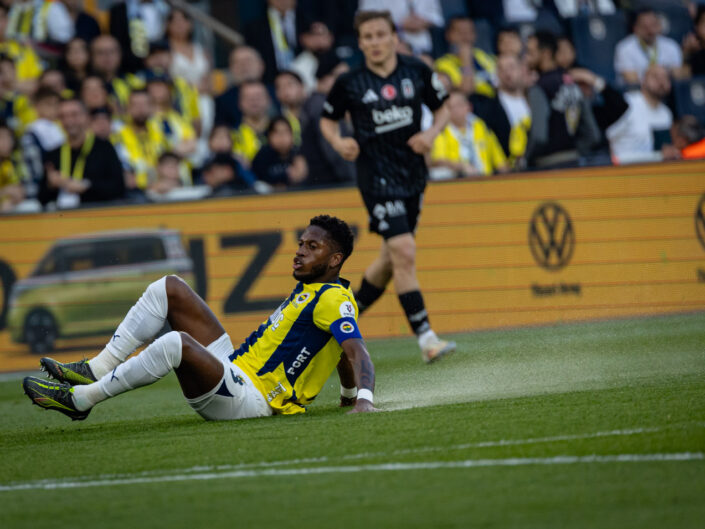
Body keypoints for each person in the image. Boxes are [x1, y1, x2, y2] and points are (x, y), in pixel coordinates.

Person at [24, 215, 378, 420]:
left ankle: (81, 399)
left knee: (176, 343)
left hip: (251, 399)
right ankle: (97, 368)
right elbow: (336, 348)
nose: (299, 252)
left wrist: (363, 398)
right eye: (301, 243)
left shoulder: (332, 298)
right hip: (234, 371)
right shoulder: (315, 291)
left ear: (335, 260)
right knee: (170, 287)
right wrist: (347, 394)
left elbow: (355, 350)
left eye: (312, 247)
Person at [320, 10, 456, 363]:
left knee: (389, 260)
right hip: (376, 178)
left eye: (381, 34)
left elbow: (443, 108)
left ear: (394, 37)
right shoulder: (350, 82)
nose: (375, 42)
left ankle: (338, 325)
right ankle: (427, 339)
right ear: (360, 42)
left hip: (413, 175)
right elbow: (327, 121)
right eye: (368, 37)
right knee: (404, 250)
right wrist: (338, 142)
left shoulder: (417, 70)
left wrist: (431, 133)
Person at [524, 31, 600, 168]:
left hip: (547, 165)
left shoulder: (540, 87)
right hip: (575, 161)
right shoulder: (572, 82)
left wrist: (526, 159)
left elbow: (539, 136)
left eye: (531, 52)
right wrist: (575, 151)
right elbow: (593, 134)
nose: (527, 58)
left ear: (546, 53)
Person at [38, 98, 125, 209]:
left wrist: (86, 186)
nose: (69, 121)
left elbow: (118, 187)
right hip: (64, 216)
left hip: (97, 213)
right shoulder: (53, 155)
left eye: (74, 115)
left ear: (86, 117)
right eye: (63, 116)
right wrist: (51, 185)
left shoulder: (104, 148)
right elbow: (41, 199)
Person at [430, 89, 508, 178]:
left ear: (469, 107)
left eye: (458, 105)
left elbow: (500, 162)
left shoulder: (481, 127)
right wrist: (461, 166)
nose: (454, 110)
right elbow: (438, 160)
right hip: (457, 180)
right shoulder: (441, 129)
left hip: (485, 179)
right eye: (450, 106)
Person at [605, 64, 674, 163]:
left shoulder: (666, 113)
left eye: (665, 78)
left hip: (654, 168)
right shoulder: (626, 103)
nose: (661, 82)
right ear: (643, 80)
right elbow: (608, 137)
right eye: (655, 76)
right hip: (624, 168)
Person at [473, 53, 532, 167]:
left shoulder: (535, 98)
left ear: (521, 69)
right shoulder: (488, 108)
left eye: (511, 67)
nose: (507, 73)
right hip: (507, 169)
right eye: (502, 69)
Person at [614, 9, 683, 85]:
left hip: (665, 89)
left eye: (653, 25)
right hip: (637, 91)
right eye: (645, 27)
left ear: (659, 25)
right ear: (635, 28)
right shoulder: (624, 48)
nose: (651, 31)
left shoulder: (671, 46)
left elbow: (678, 76)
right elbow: (632, 80)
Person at [435, 16, 496, 97]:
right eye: (460, 32)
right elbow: (467, 91)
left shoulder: (484, 56)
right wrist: (466, 60)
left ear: (475, 35)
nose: (465, 37)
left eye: (469, 32)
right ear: (448, 35)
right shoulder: (443, 64)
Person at [252, 116, 307, 189]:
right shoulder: (262, 156)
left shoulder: (299, 154)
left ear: (292, 135)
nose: (282, 137)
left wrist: (302, 173)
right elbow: (258, 180)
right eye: (277, 132)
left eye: (285, 132)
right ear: (269, 136)